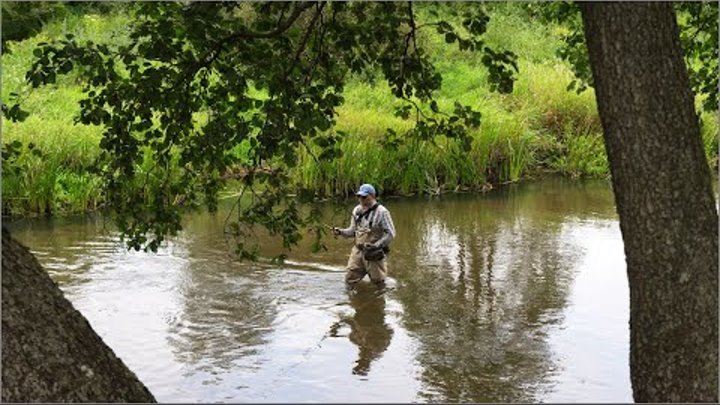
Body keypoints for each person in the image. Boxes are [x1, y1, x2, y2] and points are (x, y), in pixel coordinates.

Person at [332, 183, 395, 288]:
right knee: (349, 280)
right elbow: (352, 231)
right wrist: (340, 232)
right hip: (358, 251)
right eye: (359, 196)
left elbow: (390, 233)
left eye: (364, 197)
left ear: (373, 196)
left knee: (379, 284)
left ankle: (377, 303)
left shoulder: (382, 212)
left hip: (373, 253)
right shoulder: (357, 210)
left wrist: (377, 245)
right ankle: (353, 302)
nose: (361, 199)